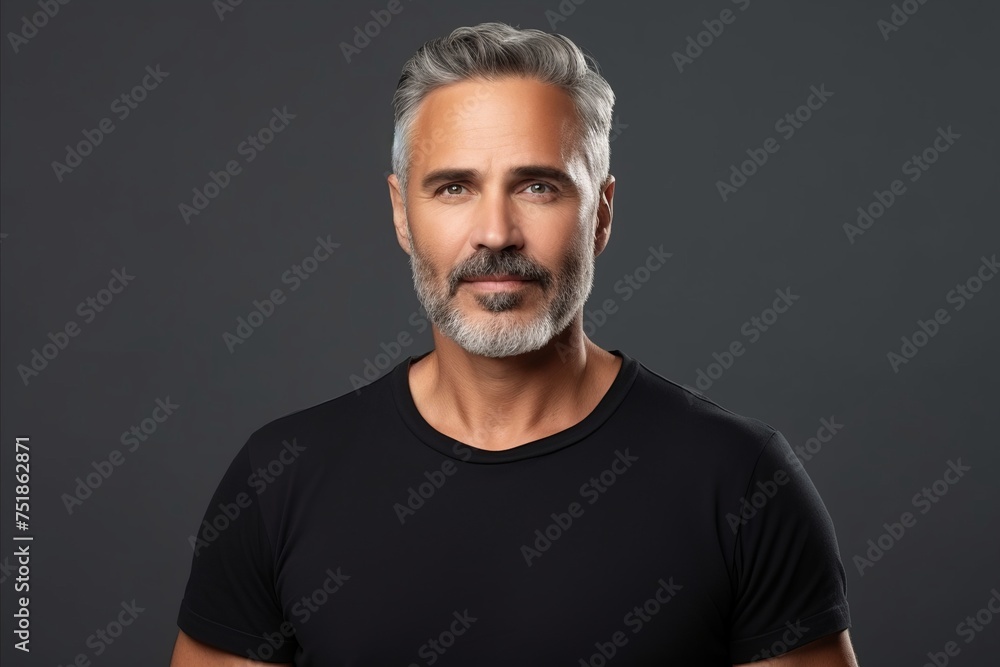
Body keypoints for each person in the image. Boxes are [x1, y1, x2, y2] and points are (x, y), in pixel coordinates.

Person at [170, 21, 859, 666]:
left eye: (538, 185)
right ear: (401, 214)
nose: (496, 232)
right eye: (453, 188)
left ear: (602, 214)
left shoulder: (742, 480)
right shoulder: (280, 478)